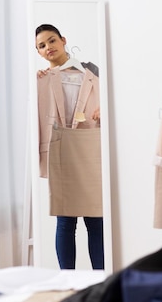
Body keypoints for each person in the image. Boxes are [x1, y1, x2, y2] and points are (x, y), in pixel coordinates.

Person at [35, 24, 104, 270]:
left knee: (96, 218)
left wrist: (103, 107)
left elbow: (114, 101)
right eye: (41, 46)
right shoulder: (41, 80)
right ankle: (68, 280)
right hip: (61, 149)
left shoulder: (93, 72)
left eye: (51, 40)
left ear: (63, 40)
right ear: (39, 53)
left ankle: (100, 279)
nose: (48, 47)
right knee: (65, 219)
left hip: (90, 148)